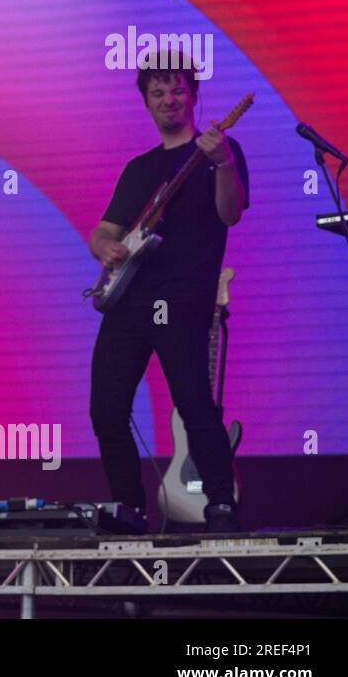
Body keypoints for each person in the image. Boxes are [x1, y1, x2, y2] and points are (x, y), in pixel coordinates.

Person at [87, 54, 249, 533]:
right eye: (157, 93)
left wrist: (221, 164)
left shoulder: (221, 149)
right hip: (130, 300)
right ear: (147, 103)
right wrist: (107, 248)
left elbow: (230, 213)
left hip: (180, 298)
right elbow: (102, 233)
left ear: (194, 95)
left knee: (193, 400)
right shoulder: (138, 168)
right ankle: (129, 508)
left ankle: (220, 503)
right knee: (106, 407)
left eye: (177, 90)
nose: (168, 100)